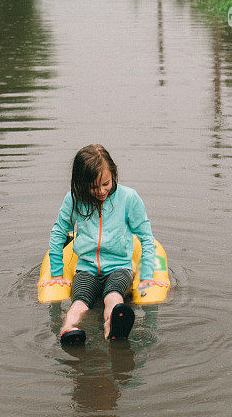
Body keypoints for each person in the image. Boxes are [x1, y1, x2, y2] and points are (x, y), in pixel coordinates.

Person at [43, 143, 162, 345]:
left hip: (119, 267)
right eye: (93, 186)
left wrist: (147, 276)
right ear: (81, 183)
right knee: (80, 302)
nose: (100, 191)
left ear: (114, 174)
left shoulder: (128, 198)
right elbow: (58, 233)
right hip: (86, 269)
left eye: (105, 183)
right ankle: (68, 330)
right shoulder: (74, 200)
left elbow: (145, 237)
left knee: (113, 296)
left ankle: (112, 327)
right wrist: (57, 273)